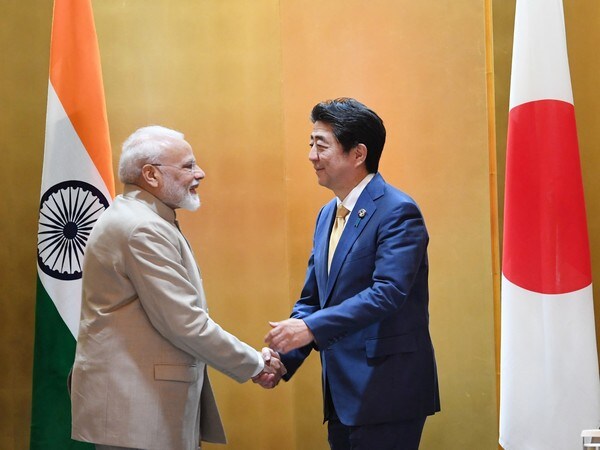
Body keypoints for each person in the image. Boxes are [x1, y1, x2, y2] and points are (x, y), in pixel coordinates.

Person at [70, 125, 285, 450]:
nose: (200, 173)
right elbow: (184, 323)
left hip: (138, 411)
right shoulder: (143, 228)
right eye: (187, 166)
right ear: (151, 175)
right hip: (138, 413)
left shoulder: (140, 217)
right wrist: (254, 363)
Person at [265, 98, 440, 450]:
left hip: (386, 391)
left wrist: (310, 329)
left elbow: (388, 292)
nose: (312, 155)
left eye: (321, 145)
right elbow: (314, 299)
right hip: (341, 394)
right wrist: (284, 358)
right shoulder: (327, 214)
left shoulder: (397, 211)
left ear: (357, 154)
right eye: (310, 144)